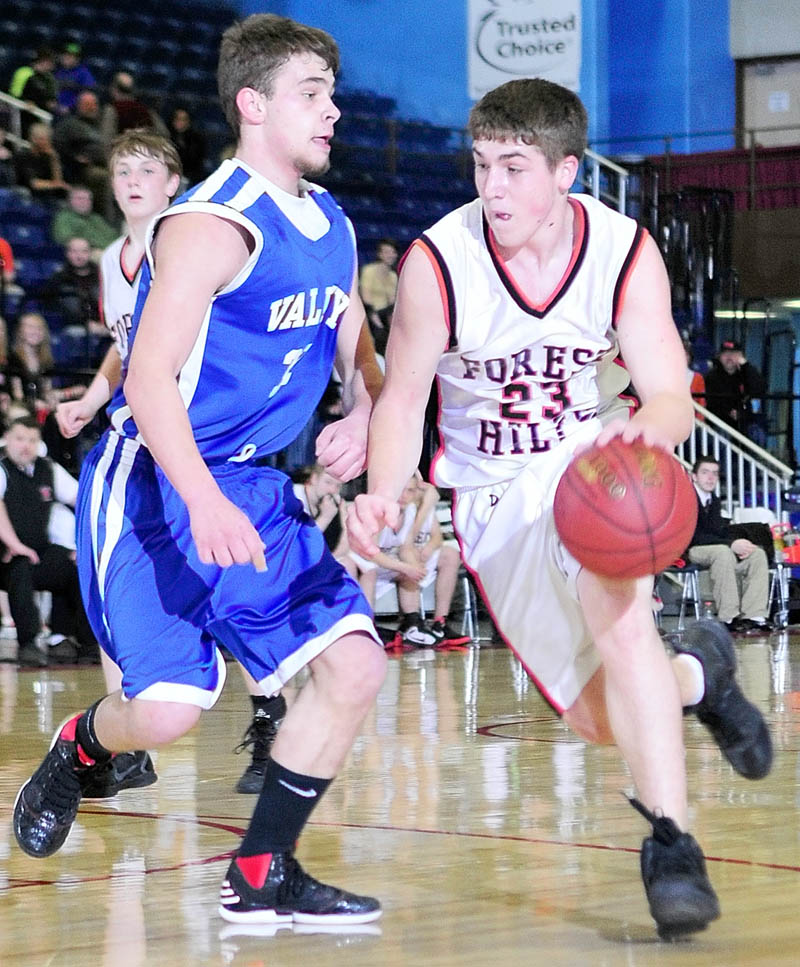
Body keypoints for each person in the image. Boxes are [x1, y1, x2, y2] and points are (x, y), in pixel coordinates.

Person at [348, 77, 773, 940]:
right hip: (491, 492)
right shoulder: (439, 262)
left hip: (590, 461)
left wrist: (637, 445)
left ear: (566, 172)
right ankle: (704, 673)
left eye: (512, 167)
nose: (491, 185)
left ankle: (671, 842)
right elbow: (401, 403)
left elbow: (666, 395)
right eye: (480, 165)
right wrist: (382, 497)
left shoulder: (624, 250)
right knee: (600, 715)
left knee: (622, 628)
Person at [16, 13, 385, 930]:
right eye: (313, 95)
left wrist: (369, 409)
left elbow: (356, 345)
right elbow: (145, 381)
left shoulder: (330, 220)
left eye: (332, 94)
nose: (332, 112)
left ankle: (261, 868)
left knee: (353, 666)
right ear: (252, 104)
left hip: (249, 481)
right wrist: (203, 497)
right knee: (170, 710)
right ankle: (78, 747)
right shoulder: (209, 226)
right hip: (154, 478)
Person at [0, 416, 98, 667]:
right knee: (20, 565)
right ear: (8, 439)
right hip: (5, 554)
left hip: (37, 550)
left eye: (32, 440)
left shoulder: (48, 468)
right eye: (20, 439)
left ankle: (73, 640)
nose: (26, 446)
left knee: (72, 566)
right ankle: (29, 643)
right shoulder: (1, 468)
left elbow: (81, 499)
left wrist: (83, 546)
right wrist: (14, 544)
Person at [357, 473, 469, 647]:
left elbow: (407, 546)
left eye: (409, 491)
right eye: (401, 490)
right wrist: (405, 566)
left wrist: (413, 566)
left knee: (427, 561)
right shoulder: (380, 511)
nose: (404, 496)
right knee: (370, 569)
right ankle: (367, 628)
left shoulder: (409, 510)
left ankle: (417, 622)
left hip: (390, 561)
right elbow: (370, 553)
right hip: (366, 561)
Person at [686, 456, 771, 633]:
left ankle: (754, 616)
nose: (710, 477)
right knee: (723, 552)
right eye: (705, 472)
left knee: (756, 554)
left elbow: (718, 532)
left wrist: (741, 543)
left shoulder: (714, 500)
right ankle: (728, 617)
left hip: (716, 546)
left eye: (715, 474)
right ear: (694, 476)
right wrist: (731, 544)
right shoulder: (685, 498)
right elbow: (694, 536)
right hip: (691, 548)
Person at [704, 340, 766, 446]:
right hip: (720, 422)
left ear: (740, 356)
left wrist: (746, 365)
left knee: (757, 435)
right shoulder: (711, 377)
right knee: (723, 436)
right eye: (725, 354)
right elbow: (711, 403)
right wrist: (729, 412)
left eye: (733, 354)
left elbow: (759, 388)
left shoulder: (746, 373)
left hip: (744, 421)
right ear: (720, 356)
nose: (729, 357)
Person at [359, 237, 398, 357]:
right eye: (386, 252)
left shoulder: (393, 276)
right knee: (380, 332)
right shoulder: (369, 270)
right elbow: (366, 298)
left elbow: (392, 301)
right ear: (380, 254)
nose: (390, 255)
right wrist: (378, 323)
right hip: (370, 313)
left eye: (393, 252)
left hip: (386, 315)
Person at [51, 186, 118, 256]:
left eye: (88, 199)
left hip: (112, 250)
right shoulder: (64, 217)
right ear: (70, 200)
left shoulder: (95, 218)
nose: (85, 202)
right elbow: (67, 240)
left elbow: (113, 235)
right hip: (89, 253)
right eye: (80, 199)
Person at [14, 122, 70, 204]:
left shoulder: (48, 156)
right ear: (32, 138)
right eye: (41, 139)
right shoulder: (23, 155)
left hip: (49, 195)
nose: (44, 142)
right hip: (28, 194)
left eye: (47, 139)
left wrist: (54, 158)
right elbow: (34, 184)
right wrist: (56, 185)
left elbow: (58, 180)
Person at [167, 105, 207, 187]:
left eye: (183, 119)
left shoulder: (196, 139)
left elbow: (196, 162)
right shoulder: (166, 137)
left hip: (190, 177)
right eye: (177, 119)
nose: (180, 122)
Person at [53, 42, 97, 115]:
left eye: (71, 56)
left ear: (78, 59)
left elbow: (88, 92)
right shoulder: (57, 71)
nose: (67, 57)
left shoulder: (83, 73)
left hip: (73, 113)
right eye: (65, 54)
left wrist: (72, 108)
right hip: (54, 110)